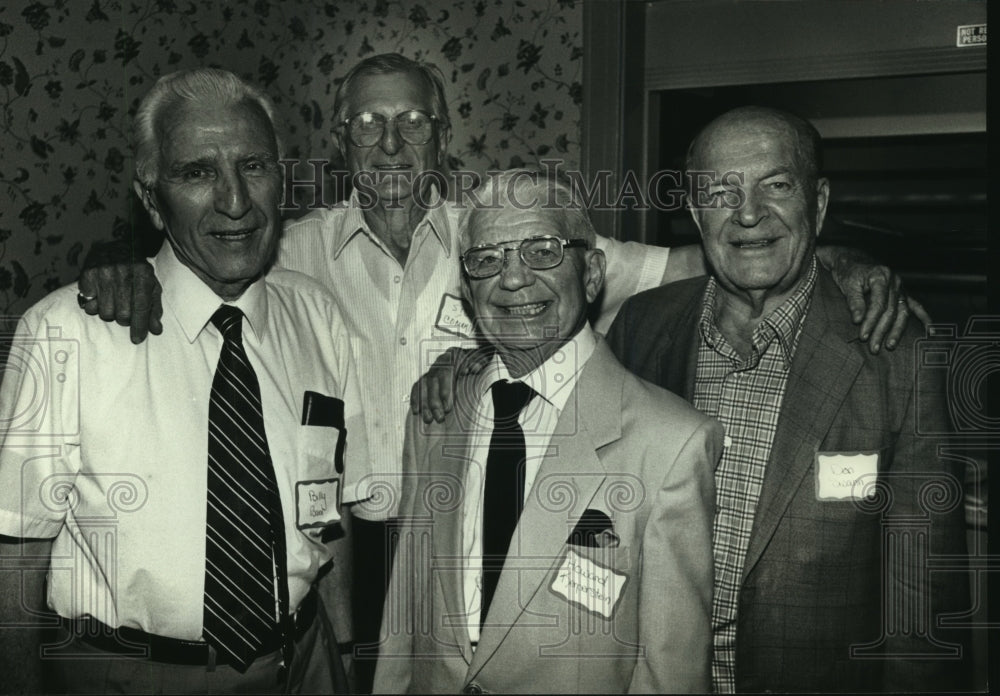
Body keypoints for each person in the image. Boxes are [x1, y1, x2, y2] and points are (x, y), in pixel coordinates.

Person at [75, 53, 918, 691]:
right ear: (340, 141)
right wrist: (124, 260)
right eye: (368, 123)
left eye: (412, 119)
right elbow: (199, 252)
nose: (392, 140)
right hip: (342, 557)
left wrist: (831, 258)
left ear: (443, 134)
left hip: (500, 518)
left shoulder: (501, 223)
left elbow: (704, 255)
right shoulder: (283, 247)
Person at [0, 68, 366, 694]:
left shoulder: (319, 317)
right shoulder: (67, 334)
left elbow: (331, 517)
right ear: (150, 200)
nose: (233, 201)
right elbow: (17, 554)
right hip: (132, 674)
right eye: (197, 172)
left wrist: (347, 653)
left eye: (253, 165)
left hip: (304, 662)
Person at [604, 106, 971, 693]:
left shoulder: (895, 355)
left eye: (776, 185)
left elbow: (920, 593)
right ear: (697, 212)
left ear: (818, 203)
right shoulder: (640, 329)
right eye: (721, 191)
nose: (748, 212)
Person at [373, 169, 722, 693]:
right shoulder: (435, 413)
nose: (513, 280)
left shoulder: (670, 444)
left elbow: (669, 673)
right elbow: (404, 620)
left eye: (542, 250)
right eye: (487, 260)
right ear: (467, 289)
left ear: (592, 273)